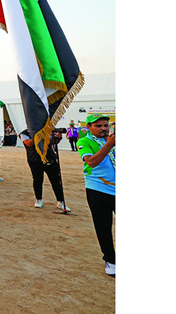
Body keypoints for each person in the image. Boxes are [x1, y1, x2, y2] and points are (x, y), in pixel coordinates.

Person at [77, 114, 116, 277]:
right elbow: (91, 162)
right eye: (98, 126)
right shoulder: (84, 142)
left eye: (105, 125)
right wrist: (109, 145)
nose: (103, 129)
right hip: (98, 189)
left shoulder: (113, 140)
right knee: (104, 226)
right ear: (89, 127)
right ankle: (111, 260)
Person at [20, 128, 68, 211]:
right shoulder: (24, 133)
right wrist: (40, 135)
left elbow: (53, 142)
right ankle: (39, 199)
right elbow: (28, 143)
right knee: (38, 180)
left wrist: (58, 137)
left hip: (49, 158)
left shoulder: (47, 129)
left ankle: (61, 201)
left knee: (56, 180)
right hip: (35, 159)